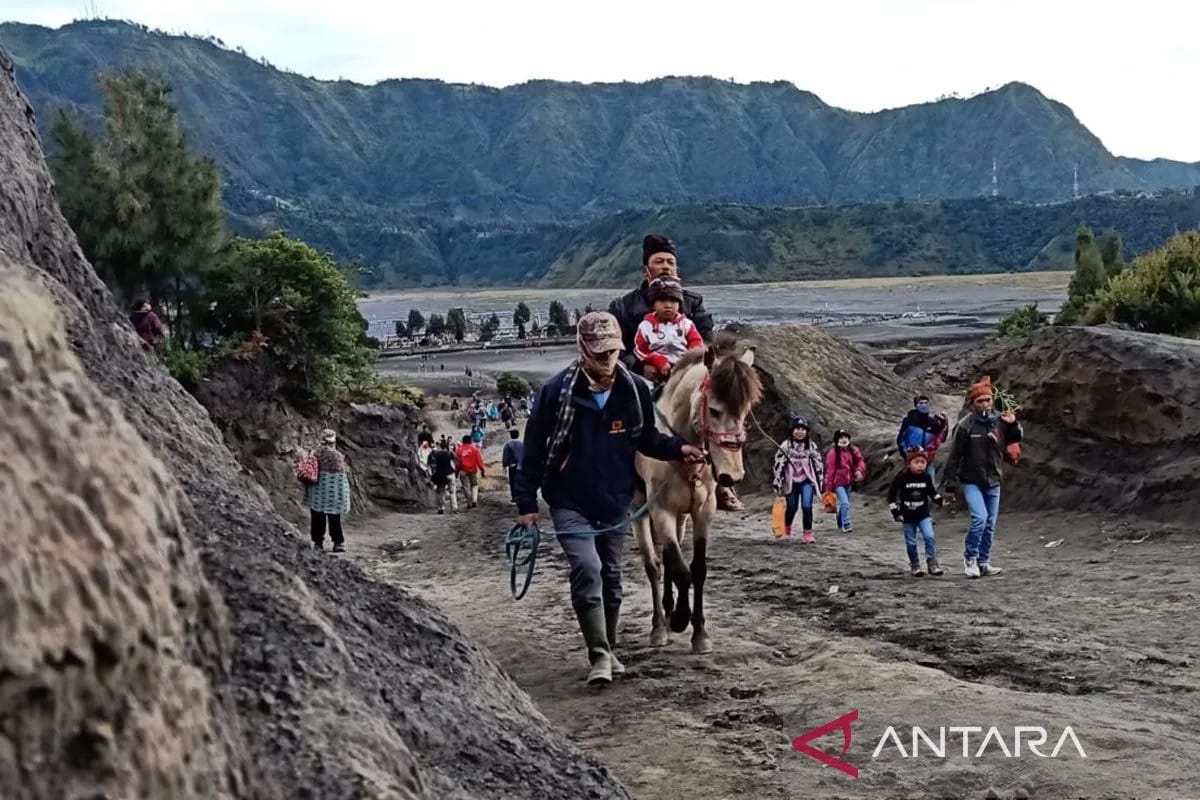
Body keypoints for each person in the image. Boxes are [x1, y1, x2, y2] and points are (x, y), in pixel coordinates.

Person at [514, 311, 704, 687]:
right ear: (582, 349)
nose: (606, 361)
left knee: (612, 577)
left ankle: (610, 647)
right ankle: (599, 655)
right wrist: (526, 506)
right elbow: (532, 452)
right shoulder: (554, 393)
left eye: (613, 352)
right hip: (568, 499)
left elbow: (647, 439)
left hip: (614, 500)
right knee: (588, 569)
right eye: (599, 353)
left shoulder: (632, 389)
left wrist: (680, 448)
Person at [608, 235, 740, 511]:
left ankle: (722, 483)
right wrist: (640, 365)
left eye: (670, 262)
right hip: (641, 378)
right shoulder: (623, 307)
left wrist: (690, 368)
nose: (666, 266)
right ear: (646, 270)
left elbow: (706, 344)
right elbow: (616, 350)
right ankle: (623, 479)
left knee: (725, 411)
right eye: (659, 262)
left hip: (688, 378)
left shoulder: (693, 303)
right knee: (620, 416)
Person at [941, 376, 1023, 579]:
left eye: (988, 399)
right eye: (980, 401)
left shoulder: (1000, 420)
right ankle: (970, 559)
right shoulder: (965, 426)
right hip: (971, 480)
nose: (985, 403)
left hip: (993, 479)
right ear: (973, 403)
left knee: (990, 524)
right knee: (980, 519)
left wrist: (1013, 424)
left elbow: (1015, 438)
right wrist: (949, 486)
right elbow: (954, 457)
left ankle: (984, 562)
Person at [632, 276, 705, 383]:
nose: (668, 305)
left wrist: (689, 361)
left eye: (673, 301)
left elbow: (696, 343)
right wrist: (655, 359)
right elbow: (639, 349)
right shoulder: (645, 326)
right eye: (662, 300)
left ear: (679, 303)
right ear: (653, 304)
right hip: (656, 371)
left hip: (684, 369)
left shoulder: (686, 324)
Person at [888, 447, 945, 577]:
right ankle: (915, 565)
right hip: (907, 516)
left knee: (929, 537)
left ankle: (932, 564)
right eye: (917, 462)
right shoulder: (902, 477)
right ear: (909, 463)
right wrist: (896, 512)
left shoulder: (926, 477)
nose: (920, 465)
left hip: (923, 514)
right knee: (911, 542)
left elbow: (932, 492)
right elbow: (891, 495)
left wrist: (940, 500)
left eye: (923, 462)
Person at [771, 415, 824, 542]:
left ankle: (808, 534)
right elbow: (778, 464)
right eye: (797, 429)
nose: (800, 432)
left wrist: (821, 483)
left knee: (807, 506)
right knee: (792, 507)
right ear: (792, 430)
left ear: (806, 431)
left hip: (807, 480)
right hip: (791, 481)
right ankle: (787, 529)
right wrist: (777, 482)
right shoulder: (786, 446)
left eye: (803, 429)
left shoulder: (811, 446)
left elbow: (818, 464)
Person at [304, 428, 350, 552]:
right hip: (333, 493)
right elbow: (342, 478)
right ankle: (338, 543)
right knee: (334, 517)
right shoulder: (337, 456)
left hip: (317, 491)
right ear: (333, 441)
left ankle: (318, 543)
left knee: (317, 516)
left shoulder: (315, 453)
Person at [896, 394, 949, 481]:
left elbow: (941, 438)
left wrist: (944, 423)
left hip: (927, 460)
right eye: (921, 403)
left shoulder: (933, 423)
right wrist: (906, 454)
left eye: (926, 403)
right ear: (916, 405)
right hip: (912, 458)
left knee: (930, 483)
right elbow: (901, 439)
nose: (924, 405)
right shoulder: (909, 420)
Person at [823, 429, 866, 533]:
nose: (844, 439)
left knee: (845, 503)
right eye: (841, 437)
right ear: (836, 439)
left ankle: (840, 517)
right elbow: (830, 471)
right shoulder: (833, 453)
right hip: (838, 483)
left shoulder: (853, 450)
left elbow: (860, 461)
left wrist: (860, 471)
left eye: (846, 437)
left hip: (849, 482)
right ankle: (846, 524)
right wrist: (828, 489)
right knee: (845, 503)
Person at [428, 440, 458, 514]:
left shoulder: (436, 454)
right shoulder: (450, 453)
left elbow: (432, 464)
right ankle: (454, 508)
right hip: (450, 473)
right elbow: (456, 460)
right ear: (447, 446)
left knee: (441, 491)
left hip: (440, 474)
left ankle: (441, 508)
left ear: (440, 446)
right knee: (452, 492)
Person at [457, 434, 485, 508]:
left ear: (463, 441)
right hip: (473, 470)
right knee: (474, 485)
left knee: (465, 486)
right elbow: (479, 461)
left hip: (463, 470)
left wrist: (456, 472)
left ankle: (469, 501)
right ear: (471, 441)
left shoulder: (459, 450)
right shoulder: (475, 449)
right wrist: (482, 470)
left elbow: (457, 462)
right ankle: (474, 500)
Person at [501, 428, 525, 505]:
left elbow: (505, 456)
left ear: (511, 435)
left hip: (512, 466)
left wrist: (504, 465)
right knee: (520, 481)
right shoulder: (522, 444)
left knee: (512, 482)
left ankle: (514, 497)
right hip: (521, 466)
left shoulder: (508, 445)